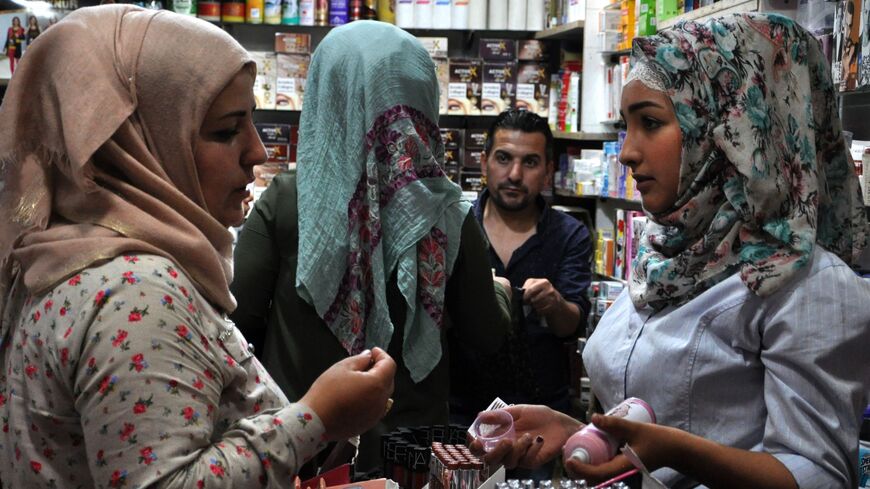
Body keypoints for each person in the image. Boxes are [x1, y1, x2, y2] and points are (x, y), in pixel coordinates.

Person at [0, 5, 395, 488]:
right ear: (139, 142)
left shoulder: (66, 254)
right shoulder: (135, 292)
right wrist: (316, 418)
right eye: (226, 130)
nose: (257, 151)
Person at [470, 13, 870, 488]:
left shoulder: (807, 283)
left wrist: (675, 451)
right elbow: (656, 425)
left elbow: (822, 477)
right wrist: (580, 431)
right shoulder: (664, 256)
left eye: (651, 123)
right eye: (626, 125)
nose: (627, 152)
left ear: (732, 129)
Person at [229, 21, 513, 472]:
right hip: (410, 461)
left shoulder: (288, 200)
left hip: (302, 452)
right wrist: (499, 290)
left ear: (326, 94)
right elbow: (487, 335)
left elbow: (237, 319)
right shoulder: (448, 213)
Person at [449, 109, 592, 422]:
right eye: (503, 158)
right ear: (484, 160)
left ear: (548, 170)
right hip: (459, 414)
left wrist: (555, 303)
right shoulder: (455, 227)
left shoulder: (570, 235)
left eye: (530, 162)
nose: (514, 174)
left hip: (540, 419)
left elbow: (571, 324)